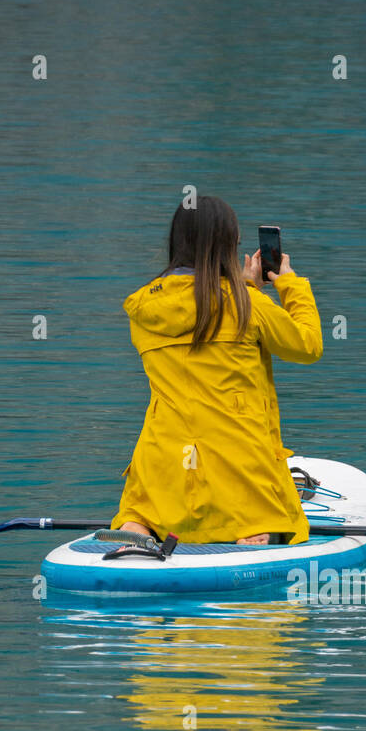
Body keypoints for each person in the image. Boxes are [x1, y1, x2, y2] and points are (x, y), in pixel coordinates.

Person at [111, 196, 322, 546]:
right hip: (238, 466)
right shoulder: (247, 305)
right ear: (226, 247)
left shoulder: (144, 306)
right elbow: (308, 346)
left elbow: (199, 327)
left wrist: (245, 288)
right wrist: (287, 284)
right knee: (260, 514)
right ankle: (253, 534)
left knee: (145, 510)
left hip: (164, 467)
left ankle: (137, 527)